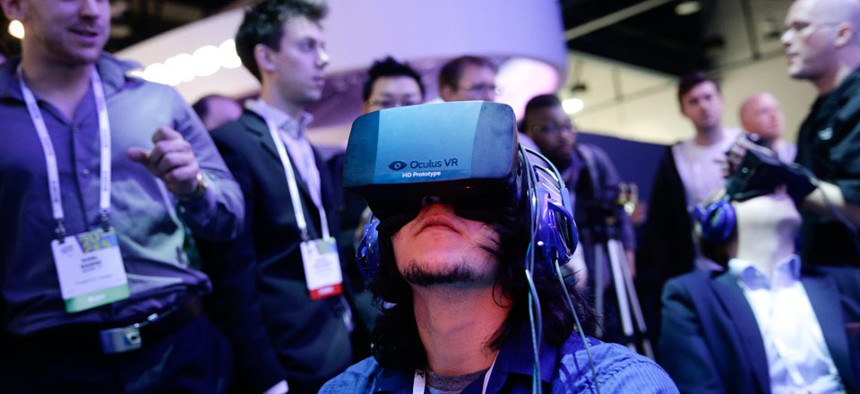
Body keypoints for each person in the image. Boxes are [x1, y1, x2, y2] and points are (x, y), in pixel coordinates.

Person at [320, 101, 678, 393]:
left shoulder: (617, 385)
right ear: (378, 242)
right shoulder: (344, 390)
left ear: (536, 224)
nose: (434, 207)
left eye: (471, 191)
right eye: (405, 200)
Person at [0, 0, 244, 392]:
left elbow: (230, 216)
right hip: (50, 367)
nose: (93, 11)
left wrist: (195, 188)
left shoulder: (158, 101)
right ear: (14, 6)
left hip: (177, 353)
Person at [195, 1, 352, 393]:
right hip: (286, 363)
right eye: (307, 46)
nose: (324, 59)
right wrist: (266, 377)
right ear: (266, 57)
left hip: (337, 345)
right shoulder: (233, 145)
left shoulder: (308, 147)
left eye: (322, 46)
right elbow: (232, 277)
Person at [658, 179, 860, 393]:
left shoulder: (846, 283)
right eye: (761, 187)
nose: (781, 188)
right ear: (721, 218)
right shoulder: (692, 297)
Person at [328, 55, 426, 359]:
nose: (397, 113)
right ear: (364, 110)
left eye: (409, 102)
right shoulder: (339, 170)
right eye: (384, 103)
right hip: (364, 323)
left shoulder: (443, 170)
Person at [522, 94, 636, 343]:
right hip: (549, 278)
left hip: (600, 269)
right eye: (550, 128)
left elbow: (618, 210)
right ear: (528, 132)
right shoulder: (525, 170)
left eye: (567, 126)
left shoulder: (592, 162)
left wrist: (628, 253)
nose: (563, 135)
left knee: (609, 333)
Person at [438, 55, 538, 150]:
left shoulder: (518, 143)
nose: (489, 97)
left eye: (492, 88)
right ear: (449, 93)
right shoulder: (432, 142)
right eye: (478, 88)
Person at [738, 92, 796, 163]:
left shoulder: (800, 153)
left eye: (777, 109)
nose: (774, 116)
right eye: (763, 111)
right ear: (745, 123)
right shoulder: (739, 160)